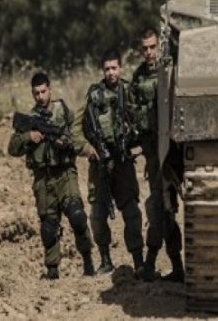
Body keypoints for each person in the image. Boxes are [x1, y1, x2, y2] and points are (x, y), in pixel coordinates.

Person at [8, 72, 95, 279]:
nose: (40, 96)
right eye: (36, 93)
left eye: (43, 91)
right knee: (48, 226)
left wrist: (73, 145)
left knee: (77, 216)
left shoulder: (63, 112)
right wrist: (29, 137)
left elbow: (78, 134)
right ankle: (52, 270)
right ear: (32, 94)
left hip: (65, 174)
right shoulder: (31, 119)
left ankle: (88, 260)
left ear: (50, 90)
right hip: (43, 180)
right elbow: (12, 148)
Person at [74, 49, 145, 277]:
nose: (111, 73)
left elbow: (144, 120)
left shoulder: (129, 92)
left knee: (132, 213)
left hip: (123, 163)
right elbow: (75, 129)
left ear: (120, 68)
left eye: (114, 68)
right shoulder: (93, 96)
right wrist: (88, 149)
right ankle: (105, 260)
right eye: (107, 69)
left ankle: (139, 261)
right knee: (97, 215)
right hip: (100, 165)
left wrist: (136, 137)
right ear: (102, 71)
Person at [130, 27, 184, 282]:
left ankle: (157, 263)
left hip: (173, 153)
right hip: (153, 155)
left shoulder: (171, 71)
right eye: (145, 48)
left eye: (153, 47)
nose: (149, 52)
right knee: (161, 208)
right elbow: (132, 113)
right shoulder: (138, 78)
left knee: (165, 207)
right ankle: (171, 265)